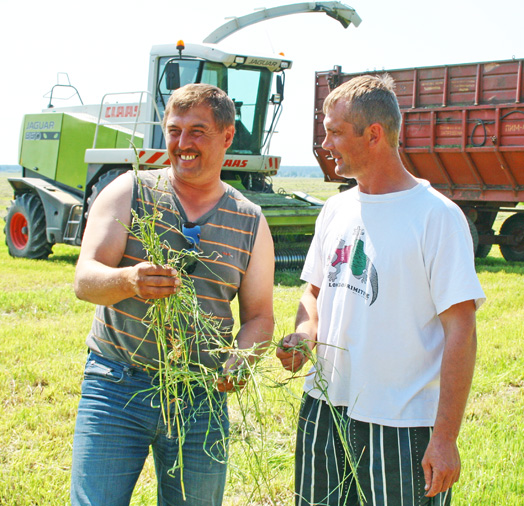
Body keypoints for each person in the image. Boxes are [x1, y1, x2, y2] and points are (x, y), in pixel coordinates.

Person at [276, 75, 485, 506]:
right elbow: (313, 294)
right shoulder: (334, 209)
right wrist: (304, 334)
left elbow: (461, 332)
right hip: (324, 410)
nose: (325, 144)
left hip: (402, 425)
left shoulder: (436, 217)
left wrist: (445, 438)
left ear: (373, 134)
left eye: (334, 132)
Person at [71, 83, 274, 506]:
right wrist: (128, 281)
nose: (183, 143)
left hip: (201, 396)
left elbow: (259, 316)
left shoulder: (250, 220)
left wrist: (240, 360)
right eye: (174, 131)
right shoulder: (130, 191)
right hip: (117, 384)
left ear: (228, 136)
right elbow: (84, 280)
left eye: (198, 131)